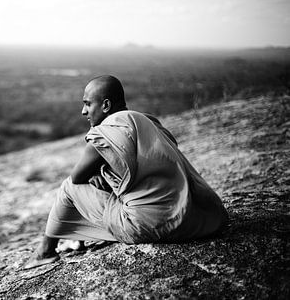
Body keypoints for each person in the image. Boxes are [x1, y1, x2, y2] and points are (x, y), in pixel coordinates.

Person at [24, 75, 228, 269]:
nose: (83, 111)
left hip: (144, 225)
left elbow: (78, 178)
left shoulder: (104, 133)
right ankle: (78, 237)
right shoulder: (145, 122)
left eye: (87, 103)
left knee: (68, 187)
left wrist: (98, 174)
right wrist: (104, 175)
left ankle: (45, 252)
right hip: (185, 219)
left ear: (105, 105)